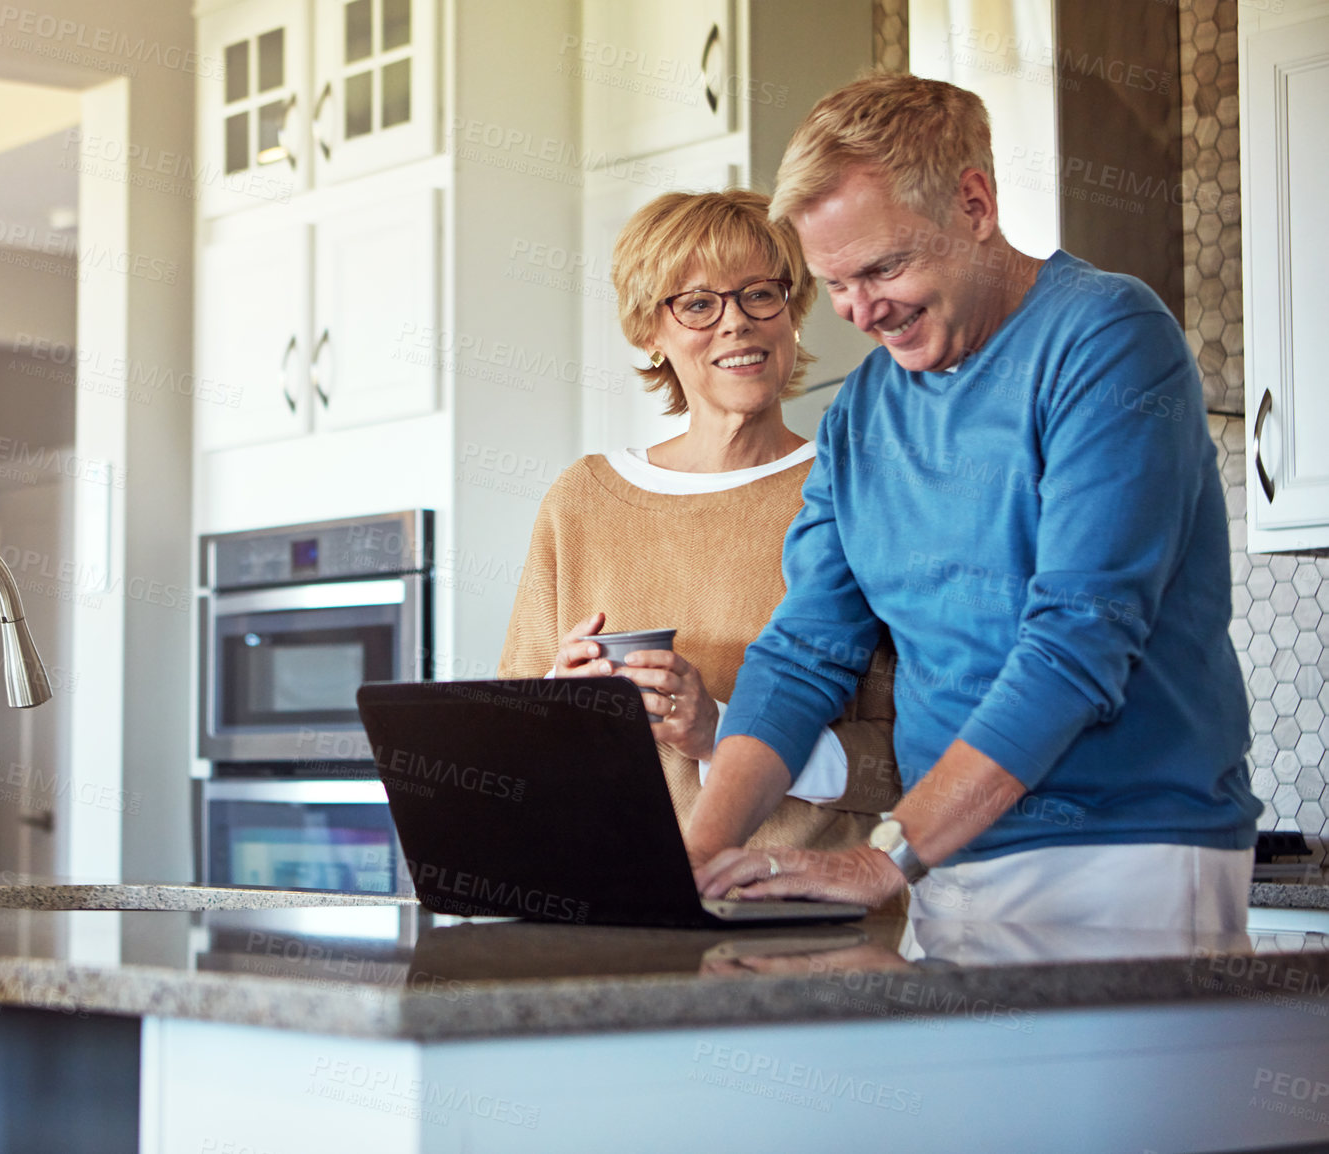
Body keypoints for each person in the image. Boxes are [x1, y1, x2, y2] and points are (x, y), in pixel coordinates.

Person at [688, 74, 1260, 931]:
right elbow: (807, 649)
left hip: (1123, 855)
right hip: (943, 860)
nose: (860, 311)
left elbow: (1078, 639)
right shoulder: (863, 411)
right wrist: (693, 856)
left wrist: (886, 855)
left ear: (975, 203)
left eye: (884, 267)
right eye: (835, 283)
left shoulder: (1107, 339)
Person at [499, 189, 899, 854]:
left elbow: (896, 763)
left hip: (801, 921)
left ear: (793, 311)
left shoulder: (856, 493)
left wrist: (721, 732)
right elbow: (506, 749)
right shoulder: (582, 499)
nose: (735, 322)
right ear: (649, 332)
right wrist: (556, 708)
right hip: (612, 907)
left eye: (759, 294)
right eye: (697, 303)